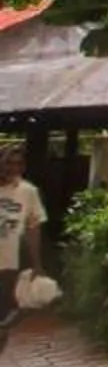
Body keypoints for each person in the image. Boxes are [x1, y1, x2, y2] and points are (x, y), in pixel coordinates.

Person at [0, 144, 45, 346]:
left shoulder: (28, 192)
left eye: (18, 163)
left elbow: (33, 228)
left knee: (9, 310)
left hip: (9, 260)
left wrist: (37, 264)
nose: (13, 168)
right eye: (9, 162)